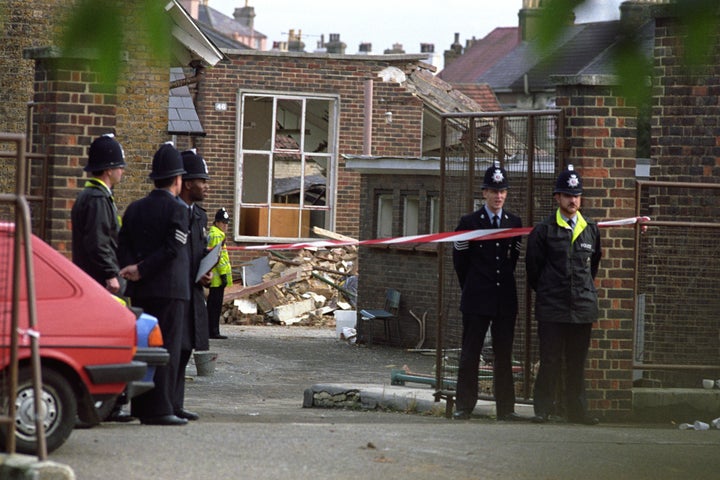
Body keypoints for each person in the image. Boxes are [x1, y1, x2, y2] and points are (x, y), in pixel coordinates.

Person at [118, 142, 190, 426]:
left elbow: (122, 242)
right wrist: (144, 268)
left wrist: (132, 268)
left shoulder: (135, 209)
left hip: (143, 290)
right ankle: (161, 408)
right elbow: (173, 249)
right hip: (171, 291)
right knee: (167, 349)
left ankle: (140, 405)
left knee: (145, 347)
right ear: (177, 179)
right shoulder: (178, 210)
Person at [525, 165, 602, 425]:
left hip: (582, 306)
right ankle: (543, 409)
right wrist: (549, 291)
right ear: (557, 197)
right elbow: (533, 270)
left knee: (577, 363)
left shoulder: (590, 228)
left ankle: (577, 411)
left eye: (577, 195)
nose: (573, 200)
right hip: (553, 307)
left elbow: (593, 265)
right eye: (568, 195)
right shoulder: (544, 230)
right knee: (550, 360)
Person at [451, 165, 523, 421]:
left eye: (502, 191)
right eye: (493, 191)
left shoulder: (513, 222)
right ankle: (464, 405)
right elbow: (460, 261)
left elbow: (512, 257)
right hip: (476, 296)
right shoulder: (468, 223)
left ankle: (506, 408)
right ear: (484, 193)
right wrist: (473, 286)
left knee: (504, 353)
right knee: (471, 352)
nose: (498, 196)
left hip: (504, 298)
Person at [71, 133, 134, 423]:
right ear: (108, 169)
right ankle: (108, 403)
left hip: (94, 278)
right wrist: (110, 274)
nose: (122, 171)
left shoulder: (94, 196)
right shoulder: (97, 199)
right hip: (100, 281)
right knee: (108, 341)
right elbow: (99, 243)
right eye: (120, 166)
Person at [174, 148, 212, 422]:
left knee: (186, 349)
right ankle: (167, 403)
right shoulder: (173, 211)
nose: (206, 186)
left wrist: (205, 272)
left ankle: (177, 403)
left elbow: (196, 253)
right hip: (176, 291)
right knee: (174, 349)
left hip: (194, 291)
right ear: (188, 183)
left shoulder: (200, 215)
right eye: (202, 181)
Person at [206, 207, 233, 340]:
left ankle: (211, 330)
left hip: (215, 277)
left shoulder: (215, 233)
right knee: (215, 306)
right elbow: (219, 257)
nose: (225, 225)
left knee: (213, 305)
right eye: (223, 222)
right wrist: (223, 274)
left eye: (227, 223)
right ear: (217, 222)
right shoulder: (217, 235)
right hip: (217, 278)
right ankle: (213, 331)